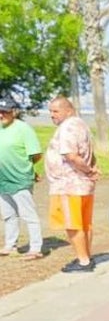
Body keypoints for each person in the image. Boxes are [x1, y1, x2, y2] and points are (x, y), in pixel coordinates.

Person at [45, 96, 100, 272]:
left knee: (73, 224)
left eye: (55, 111)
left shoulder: (67, 127)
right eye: (50, 111)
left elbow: (71, 155)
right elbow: (89, 152)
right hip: (82, 185)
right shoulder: (80, 124)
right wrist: (91, 168)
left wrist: (88, 170)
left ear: (68, 110)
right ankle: (86, 256)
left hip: (68, 184)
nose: (52, 115)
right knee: (84, 223)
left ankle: (83, 261)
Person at [0, 94, 44, 260]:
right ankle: (10, 245)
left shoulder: (23, 129)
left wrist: (28, 169)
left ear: (14, 112)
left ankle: (35, 248)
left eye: (4, 111)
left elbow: (36, 154)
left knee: (28, 214)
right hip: (2, 181)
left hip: (19, 179)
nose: (1, 115)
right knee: (8, 215)